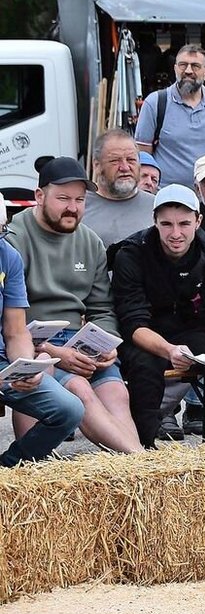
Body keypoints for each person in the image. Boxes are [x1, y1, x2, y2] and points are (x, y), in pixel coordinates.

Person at [7, 157, 142, 454]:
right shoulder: (15, 238)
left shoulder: (90, 241)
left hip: (80, 341)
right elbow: (12, 322)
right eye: (63, 198)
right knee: (79, 389)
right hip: (33, 340)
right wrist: (55, 353)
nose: (73, 207)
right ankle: (140, 463)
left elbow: (102, 307)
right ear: (39, 196)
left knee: (117, 394)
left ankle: (138, 475)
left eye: (80, 199)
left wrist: (106, 344)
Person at [111, 185, 205, 447]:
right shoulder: (130, 253)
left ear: (198, 221)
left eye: (184, 224)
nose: (176, 233)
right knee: (144, 365)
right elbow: (133, 322)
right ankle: (142, 448)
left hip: (188, 329)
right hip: (145, 335)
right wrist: (168, 350)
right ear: (154, 222)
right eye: (166, 224)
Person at [0, 234, 87, 468]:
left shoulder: (7, 254)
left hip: (1, 362)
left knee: (69, 409)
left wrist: (25, 365)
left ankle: (10, 469)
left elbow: (15, 331)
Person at [133, 44, 205, 189]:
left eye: (195, 66)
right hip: (166, 198)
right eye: (183, 65)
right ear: (175, 68)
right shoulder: (155, 103)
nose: (188, 71)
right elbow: (142, 156)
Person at [82, 129, 157, 247]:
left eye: (131, 160)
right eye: (115, 161)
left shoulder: (156, 206)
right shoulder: (78, 207)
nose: (125, 167)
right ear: (97, 166)